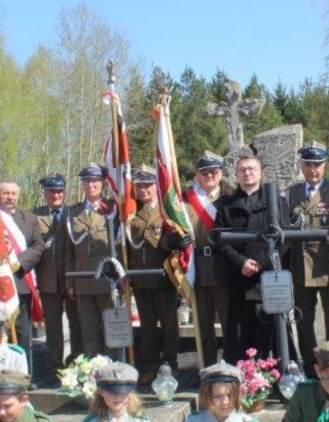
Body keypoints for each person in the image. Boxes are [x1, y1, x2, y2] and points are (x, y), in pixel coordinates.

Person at [212, 154, 291, 363]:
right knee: (239, 337)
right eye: (243, 170)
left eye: (252, 169)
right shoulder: (225, 205)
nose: (247, 173)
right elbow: (219, 240)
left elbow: (285, 238)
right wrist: (241, 263)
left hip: (267, 277)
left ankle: (271, 378)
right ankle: (243, 380)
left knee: (270, 335)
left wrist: (262, 263)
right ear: (236, 175)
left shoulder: (276, 201)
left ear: (261, 172)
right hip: (239, 278)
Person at [286, 142, 329, 373]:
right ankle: (311, 367)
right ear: (301, 166)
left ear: (325, 166)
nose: (313, 170)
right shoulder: (291, 193)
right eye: (308, 165)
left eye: (317, 165)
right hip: (300, 268)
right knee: (303, 321)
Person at [127, 165, 187, 385]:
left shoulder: (166, 210)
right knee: (147, 325)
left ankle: (170, 364)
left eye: (148, 186)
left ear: (156, 187)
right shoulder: (132, 213)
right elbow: (127, 246)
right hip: (140, 278)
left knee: (169, 324)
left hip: (164, 277)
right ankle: (151, 365)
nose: (144, 190)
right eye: (140, 186)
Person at [183, 153, 233, 368]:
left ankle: (232, 367)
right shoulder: (185, 200)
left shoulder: (231, 196)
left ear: (221, 173)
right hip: (197, 268)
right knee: (202, 325)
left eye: (214, 171)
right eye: (204, 172)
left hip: (224, 267)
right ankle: (208, 368)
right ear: (197, 175)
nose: (209, 176)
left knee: (230, 322)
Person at [32, 174, 80, 380]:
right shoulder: (35, 216)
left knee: (76, 324)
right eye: (51, 191)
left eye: (59, 191)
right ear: (45, 193)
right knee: (53, 328)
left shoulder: (73, 214)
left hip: (71, 281)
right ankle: (54, 367)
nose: (56, 195)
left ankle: (77, 363)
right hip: (48, 280)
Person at [67, 164, 115, 358]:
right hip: (83, 280)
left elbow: (120, 245)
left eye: (95, 181)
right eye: (86, 181)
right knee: (88, 328)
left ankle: (112, 367)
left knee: (112, 326)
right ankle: (93, 370)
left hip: (107, 279)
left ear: (102, 184)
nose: (91, 185)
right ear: (82, 185)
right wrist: (70, 281)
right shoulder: (73, 213)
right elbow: (68, 252)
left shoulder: (112, 209)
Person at [0, 180, 48, 363]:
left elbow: (39, 246)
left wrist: (16, 263)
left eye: (13, 193)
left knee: (23, 334)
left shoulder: (29, 219)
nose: (10, 197)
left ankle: (24, 374)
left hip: (21, 282)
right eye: (5, 193)